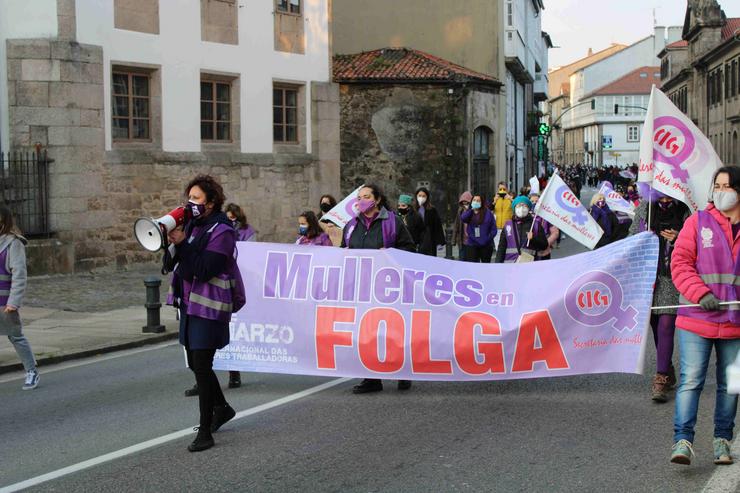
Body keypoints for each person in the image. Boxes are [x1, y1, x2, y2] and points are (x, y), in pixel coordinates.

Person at [165, 175, 245, 452]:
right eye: (189, 197)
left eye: (197, 198)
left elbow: (204, 269)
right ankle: (221, 408)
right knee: (197, 363)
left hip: (210, 305)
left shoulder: (222, 230)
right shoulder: (194, 225)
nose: (191, 203)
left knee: (201, 363)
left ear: (211, 203)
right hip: (190, 302)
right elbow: (174, 264)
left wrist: (184, 243)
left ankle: (205, 431)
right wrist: (171, 242)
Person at [669, 166, 740, 466]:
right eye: (717, 185)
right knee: (691, 381)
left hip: (735, 322)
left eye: (727, 186)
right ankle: (682, 441)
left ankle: (722, 441)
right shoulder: (697, 222)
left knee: (732, 383)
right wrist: (701, 293)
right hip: (697, 318)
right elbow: (680, 263)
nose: (721, 191)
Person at [341, 184, 416, 394]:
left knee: (393, 331)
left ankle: (403, 372)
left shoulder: (392, 222)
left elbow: (409, 248)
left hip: (388, 286)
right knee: (367, 332)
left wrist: (390, 252)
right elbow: (342, 252)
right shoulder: (351, 225)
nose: (361, 200)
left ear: (377, 200)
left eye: (366, 196)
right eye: (359, 197)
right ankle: (372, 378)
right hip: (362, 286)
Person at [629, 186, 688, 403]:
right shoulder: (646, 207)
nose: (664, 196)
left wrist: (678, 238)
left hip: (672, 275)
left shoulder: (683, 210)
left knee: (666, 324)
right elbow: (631, 237)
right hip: (648, 273)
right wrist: (644, 237)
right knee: (655, 324)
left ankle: (661, 377)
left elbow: (695, 240)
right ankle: (668, 367)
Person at [0, 205, 39, 390]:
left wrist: (13, 303)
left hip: (5, 301)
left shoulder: (13, 243)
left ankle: (31, 371)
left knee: (15, 337)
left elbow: (19, 275)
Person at [495, 196, 548, 263]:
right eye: (519, 206)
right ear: (514, 209)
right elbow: (501, 248)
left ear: (528, 208)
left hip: (529, 265)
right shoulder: (508, 225)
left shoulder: (535, 225)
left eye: (524, 205)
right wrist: (497, 265)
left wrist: (533, 239)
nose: (521, 208)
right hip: (510, 265)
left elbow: (544, 245)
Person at [460, 194, 496, 263]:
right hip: (472, 244)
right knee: (472, 267)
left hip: (486, 244)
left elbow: (493, 228)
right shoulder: (469, 212)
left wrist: (488, 238)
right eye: (474, 200)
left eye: (478, 201)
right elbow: (463, 218)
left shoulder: (488, 213)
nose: (476, 202)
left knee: (485, 267)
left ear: (482, 202)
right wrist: (471, 210)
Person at [413, 187, 446, 256]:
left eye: (423, 196)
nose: (421, 197)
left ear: (427, 197)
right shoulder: (413, 210)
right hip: (416, 240)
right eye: (419, 195)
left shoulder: (432, 210)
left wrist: (440, 242)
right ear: (416, 196)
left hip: (430, 240)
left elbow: (437, 225)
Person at [528, 193, 559, 261]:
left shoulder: (547, 216)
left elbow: (555, 233)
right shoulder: (526, 216)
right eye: (532, 201)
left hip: (543, 252)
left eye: (537, 201)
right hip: (528, 251)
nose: (534, 203)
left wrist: (546, 244)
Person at [452, 191, 473, 261]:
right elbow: (456, 225)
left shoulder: (473, 211)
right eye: (463, 203)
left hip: (471, 241)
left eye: (466, 202)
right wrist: (453, 240)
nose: (465, 204)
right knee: (462, 259)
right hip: (462, 241)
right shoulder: (460, 211)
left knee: (470, 259)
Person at [492, 184, 513, 248]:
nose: (502, 191)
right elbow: (490, 209)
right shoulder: (495, 199)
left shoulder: (510, 199)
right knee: (497, 247)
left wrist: (511, 199)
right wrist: (494, 201)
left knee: (507, 247)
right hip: (497, 228)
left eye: (504, 189)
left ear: (507, 190)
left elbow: (517, 207)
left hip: (508, 228)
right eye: (500, 189)